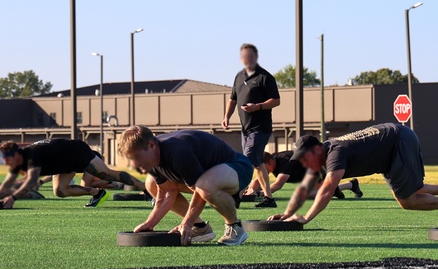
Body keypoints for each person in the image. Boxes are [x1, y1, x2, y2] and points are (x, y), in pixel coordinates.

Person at [268, 123, 438, 225]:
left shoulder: (335, 154)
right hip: (390, 148)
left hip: (398, 140)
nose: (303, 162)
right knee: (410, 190)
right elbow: (306, 189)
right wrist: (287, 214)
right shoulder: (326, 153)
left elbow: (328, 189)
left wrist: (306, 218)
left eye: (304, 157)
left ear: (317, 150)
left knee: (408, 200)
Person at [117, 126, 255, 246]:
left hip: (238, 167)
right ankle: (200, 228)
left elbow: (200, 190)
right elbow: (167, 193)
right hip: (209, 177)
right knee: (151, 183)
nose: (134, 164)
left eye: (136, 157)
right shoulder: (152, 158)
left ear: (151, 145)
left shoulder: (178, 152)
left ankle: (235, 227)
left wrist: (186, 223)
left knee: (204, 186)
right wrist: (150, 223)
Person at [0, 139, 144, 208]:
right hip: (64, 163)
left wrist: (13, 197)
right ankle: (98, 194)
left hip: (77, 152)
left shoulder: (31, 156)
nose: (7, 162)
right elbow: (9, 180)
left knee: (107, 175)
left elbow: (31, 182)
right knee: (60, 191)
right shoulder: (18, 159)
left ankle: (146, 188)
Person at [221, 43, 281, 209]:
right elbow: (232, 98)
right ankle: (268, 198)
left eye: (250, 56)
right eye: (244, 56)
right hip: (245, 128)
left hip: (260, 127)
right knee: (256, 162)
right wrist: (226, 116)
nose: (247, 59)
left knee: (247, 159)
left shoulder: (265, 77)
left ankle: (237, 195)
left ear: (256, 57)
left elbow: (276, 100)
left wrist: (258, 106)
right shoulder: (239, 76)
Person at [242, 150, 363, 200]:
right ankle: (351, 185)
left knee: (312, 195)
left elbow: (278, 184)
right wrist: (251, 189)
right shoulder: (270, 160)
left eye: (263, 167)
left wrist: (261, 193)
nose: (262, 170)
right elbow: (259, 179)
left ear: (271, 162)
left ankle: (339, 188)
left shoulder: (284, 162)